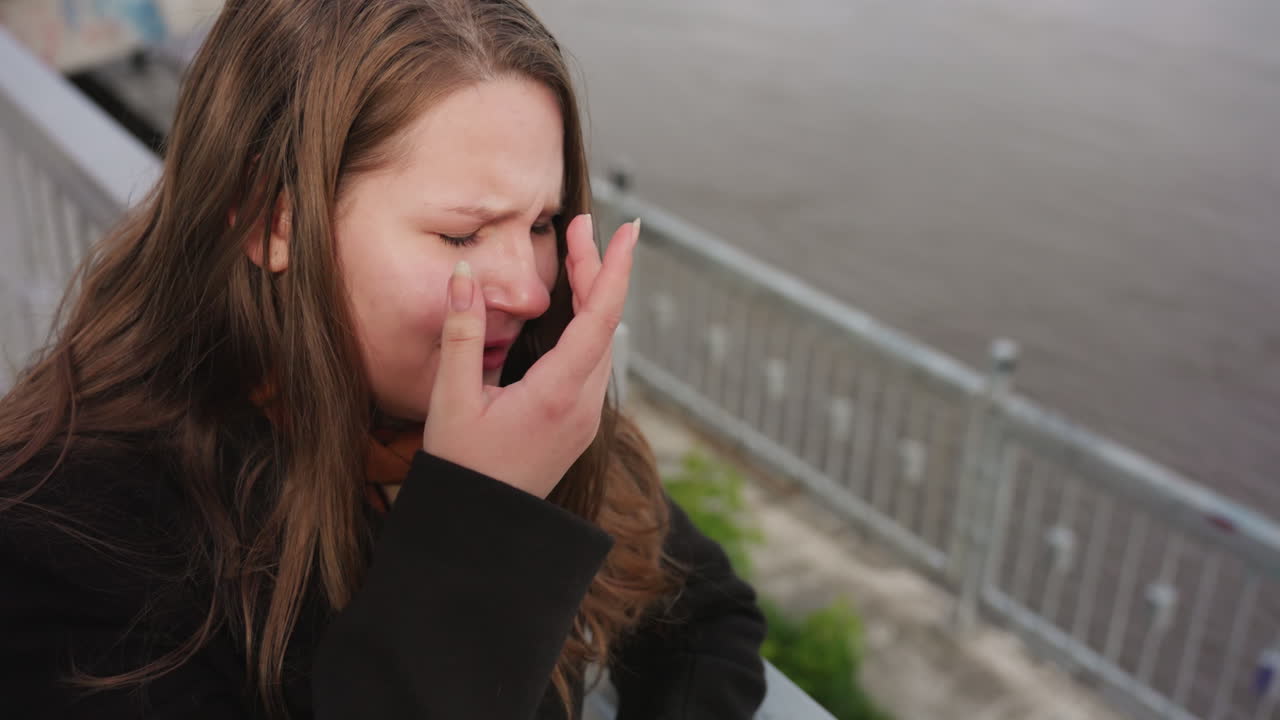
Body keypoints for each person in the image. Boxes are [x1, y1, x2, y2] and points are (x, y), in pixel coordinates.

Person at [0, 1, 767, 718]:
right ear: (274, 224)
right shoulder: (65, 540)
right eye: (462, 234)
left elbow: (707, 616)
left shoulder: (515, 399)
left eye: (543, 222)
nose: (532, 292)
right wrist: (480, 528)